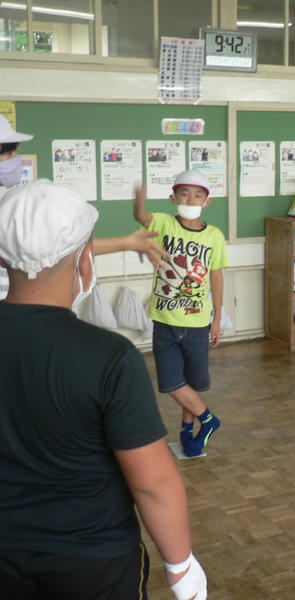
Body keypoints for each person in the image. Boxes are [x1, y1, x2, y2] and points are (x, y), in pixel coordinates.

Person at [0, 179, 207, 600]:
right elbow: (152, 483)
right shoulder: (109, 357)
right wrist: (181, 567)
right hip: (92, 558)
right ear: (84, 260)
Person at [0, 114, 167, 300]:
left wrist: (126, 243)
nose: (15, 159)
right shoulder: (11, 204)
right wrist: (126, 243)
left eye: (14, 152)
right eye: (7, 153)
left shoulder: (8, 200)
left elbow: (49, 248)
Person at [134, 169, 228, 457]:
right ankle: (208, 420)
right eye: (184, 193)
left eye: (198, 195)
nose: (190, 199)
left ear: (207, 201)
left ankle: (187, 432)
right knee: (172, 383)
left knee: (191, 382)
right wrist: (138, 199)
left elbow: (216, 276)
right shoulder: (164, 223)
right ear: (173, 197)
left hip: (197, 321)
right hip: (164, 320)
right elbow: (141, 216)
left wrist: (217, 318)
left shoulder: (214, 235)